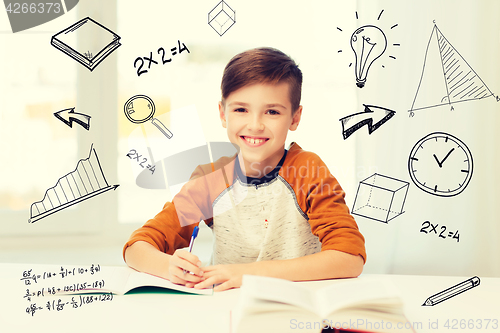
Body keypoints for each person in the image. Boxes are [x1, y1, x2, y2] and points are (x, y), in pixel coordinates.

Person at [123, 47, 366, 292]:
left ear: (294, 117)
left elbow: (349, 257)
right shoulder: (210, 179)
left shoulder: (307, 170)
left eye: (272, 112)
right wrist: (167, 266)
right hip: (222, 309)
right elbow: (136, 247)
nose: (255, 125)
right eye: (241, 109)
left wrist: (250, 275)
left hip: (290, 308)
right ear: (223, 114)